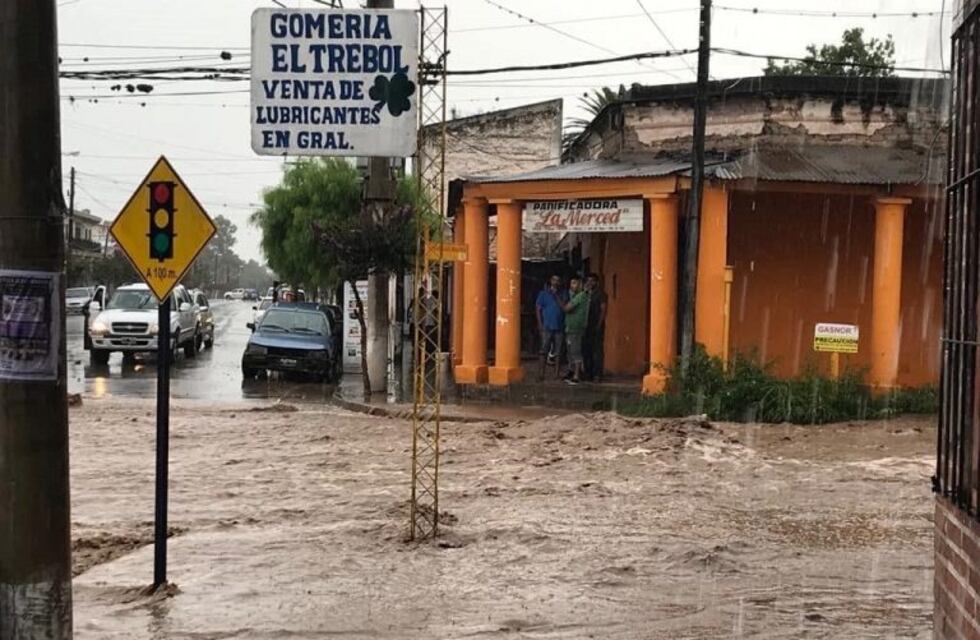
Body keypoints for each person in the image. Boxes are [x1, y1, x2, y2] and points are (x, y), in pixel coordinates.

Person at [556, 275, 590, 385]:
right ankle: (571, 372)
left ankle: (576, 375)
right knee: (570, 352)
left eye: (575, 283)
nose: (572, 286)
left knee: (575, 351)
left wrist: (557, 298)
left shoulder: (580, 296)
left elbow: (567, 308)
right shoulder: (577, 296)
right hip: (570, 327)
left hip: (576, 327)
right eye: (571, 284)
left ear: (581, 284)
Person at [535, 274, 566, 381]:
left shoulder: (563, 294)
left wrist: (556, 295)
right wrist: (540, 324)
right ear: (550, 281)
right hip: (546, 326)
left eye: (558, 280)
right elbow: (538, 309)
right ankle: (541, 374)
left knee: (558, 352)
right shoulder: (543, 294)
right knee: (543, 350)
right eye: (553, 280)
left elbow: (564, 307)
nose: (555, 282)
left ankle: (556, 374)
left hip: (559, 327)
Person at [583, 273, 608, 382]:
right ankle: (588, 373)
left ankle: (597, 374)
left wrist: (599, 324)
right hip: (585, 325)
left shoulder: (601, 294)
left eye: (592, 281)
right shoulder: (585, 294)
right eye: (588, 281)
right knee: (586, 350)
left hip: (596, 324)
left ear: (596, 282)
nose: (590, 283)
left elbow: (603, 310)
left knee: (597, 350)